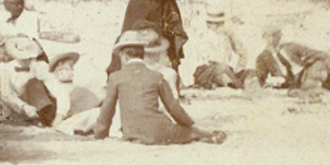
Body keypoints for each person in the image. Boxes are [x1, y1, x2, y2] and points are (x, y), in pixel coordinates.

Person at [78, 30, 225, 144]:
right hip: (160, 131)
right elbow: (173, 108)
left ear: (124, 55)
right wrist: (188, 124)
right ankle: (208, 136)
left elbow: (106, 111)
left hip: (132, 133)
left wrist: (100, 135)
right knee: (193, 132)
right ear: (143, 55)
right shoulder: (156, 77)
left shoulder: (115, 77)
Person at [252, 27, 330, 92]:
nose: (274, 39)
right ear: (265, 38)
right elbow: (260, 79)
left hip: (309, 72)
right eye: (270, 36)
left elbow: (317, 54)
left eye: (277, 36)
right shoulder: (262, 58)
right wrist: (271, 83)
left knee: (321, 74)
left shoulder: (290, 47)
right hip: (296, 82)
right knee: (322, 82)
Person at [0, 33, 56, 125]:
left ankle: (44, 117)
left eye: (30, 57)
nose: (27, 60)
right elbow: (5, 94)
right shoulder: (5, 68)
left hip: (39, 105)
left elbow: (55, 87)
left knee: (34, 83)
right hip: (16, 106)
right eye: (23, 58)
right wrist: (24, 106)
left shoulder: (38, 66)